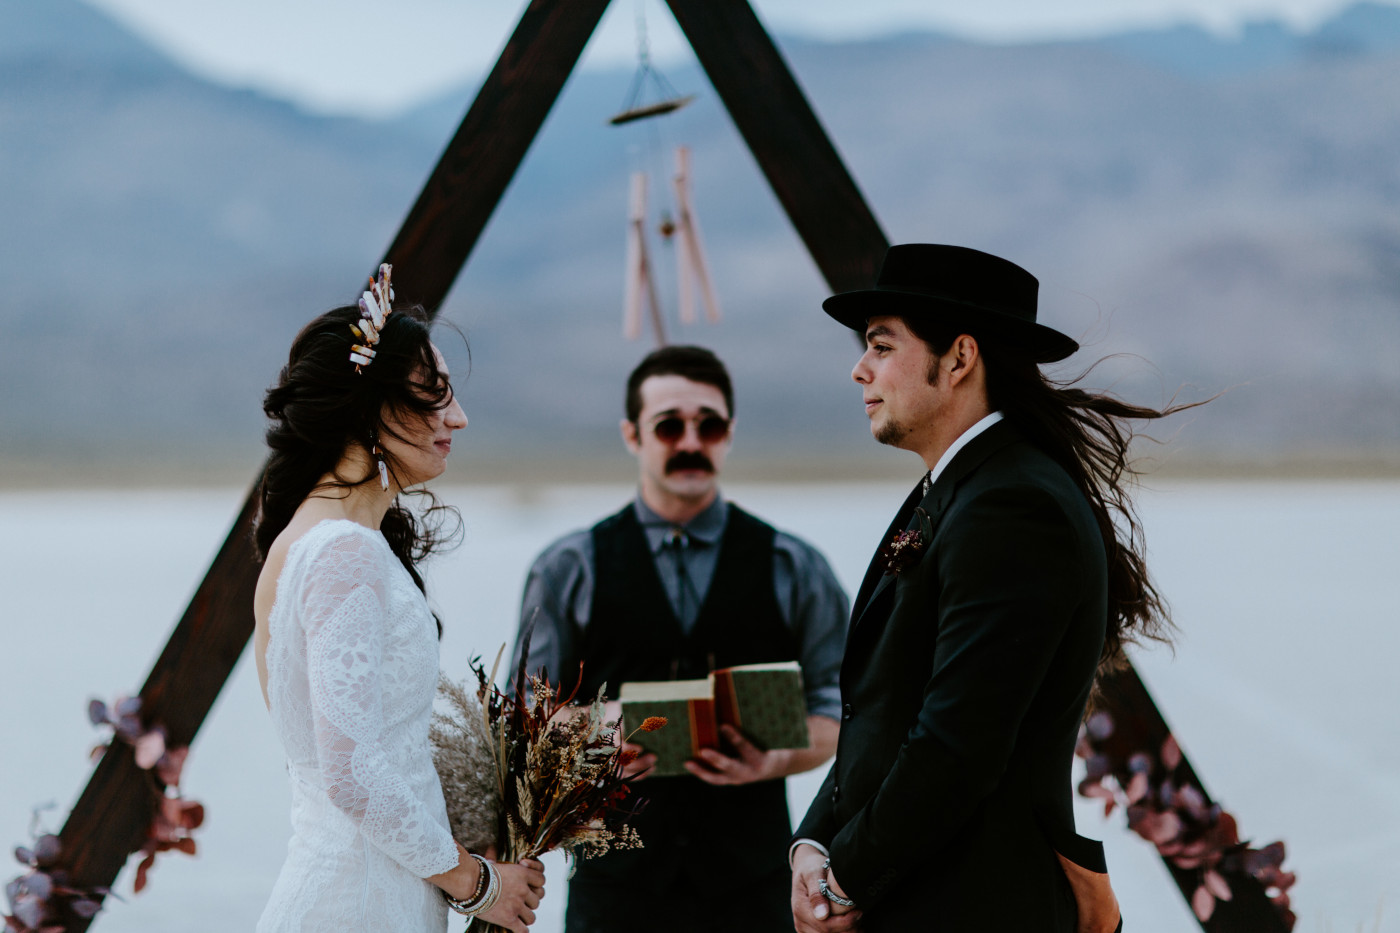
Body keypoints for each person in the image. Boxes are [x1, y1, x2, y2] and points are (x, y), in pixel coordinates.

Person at [791, 244, 1185, 932]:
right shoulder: (957, 490)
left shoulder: (1015, 507)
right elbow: (880, 712)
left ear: (960, 358)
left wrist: (845, 879)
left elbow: (956, 746)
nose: (860, 368)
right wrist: (813, 844)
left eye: (882, 346)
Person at [511, 345, 850, 933]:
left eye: (709, 424)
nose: (690, 440)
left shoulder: (794, 565)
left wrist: (775, 758)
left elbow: (845, 712)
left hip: (755, 893)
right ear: (632, 435)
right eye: (669, 425)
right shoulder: (568, 567)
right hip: (614, 893)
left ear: (729, 433)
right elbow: (524, 723)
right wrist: (598, 731)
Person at [251, 267, 545, 933]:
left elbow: (378, 753)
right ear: (371, 408)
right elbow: (351, 770)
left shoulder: (314, 538)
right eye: (434, 396)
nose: (459, 418)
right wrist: (478, 884)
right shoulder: (341, 551)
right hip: (352, 907)